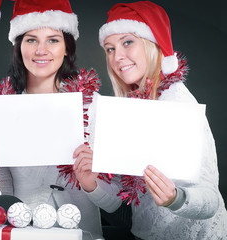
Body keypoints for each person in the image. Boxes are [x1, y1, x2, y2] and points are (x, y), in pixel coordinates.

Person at [77, 1, 227, 239]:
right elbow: (125, 206)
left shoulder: (177, 103)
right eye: (110, 48)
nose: (117, 57)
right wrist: (92, 185)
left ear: (151, 44)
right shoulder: (129, 110)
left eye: (128, 42)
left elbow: (211, 201)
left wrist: (176, 198)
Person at [0, 0, 104, 239]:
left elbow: (114, 204)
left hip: (82, 232)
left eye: (53, 40)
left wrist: (91, 184)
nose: (41, 50)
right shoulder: (2, 110)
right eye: (31, 40)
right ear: (19, 47)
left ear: (67, 47)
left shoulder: (92, 107)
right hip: (22, 232)